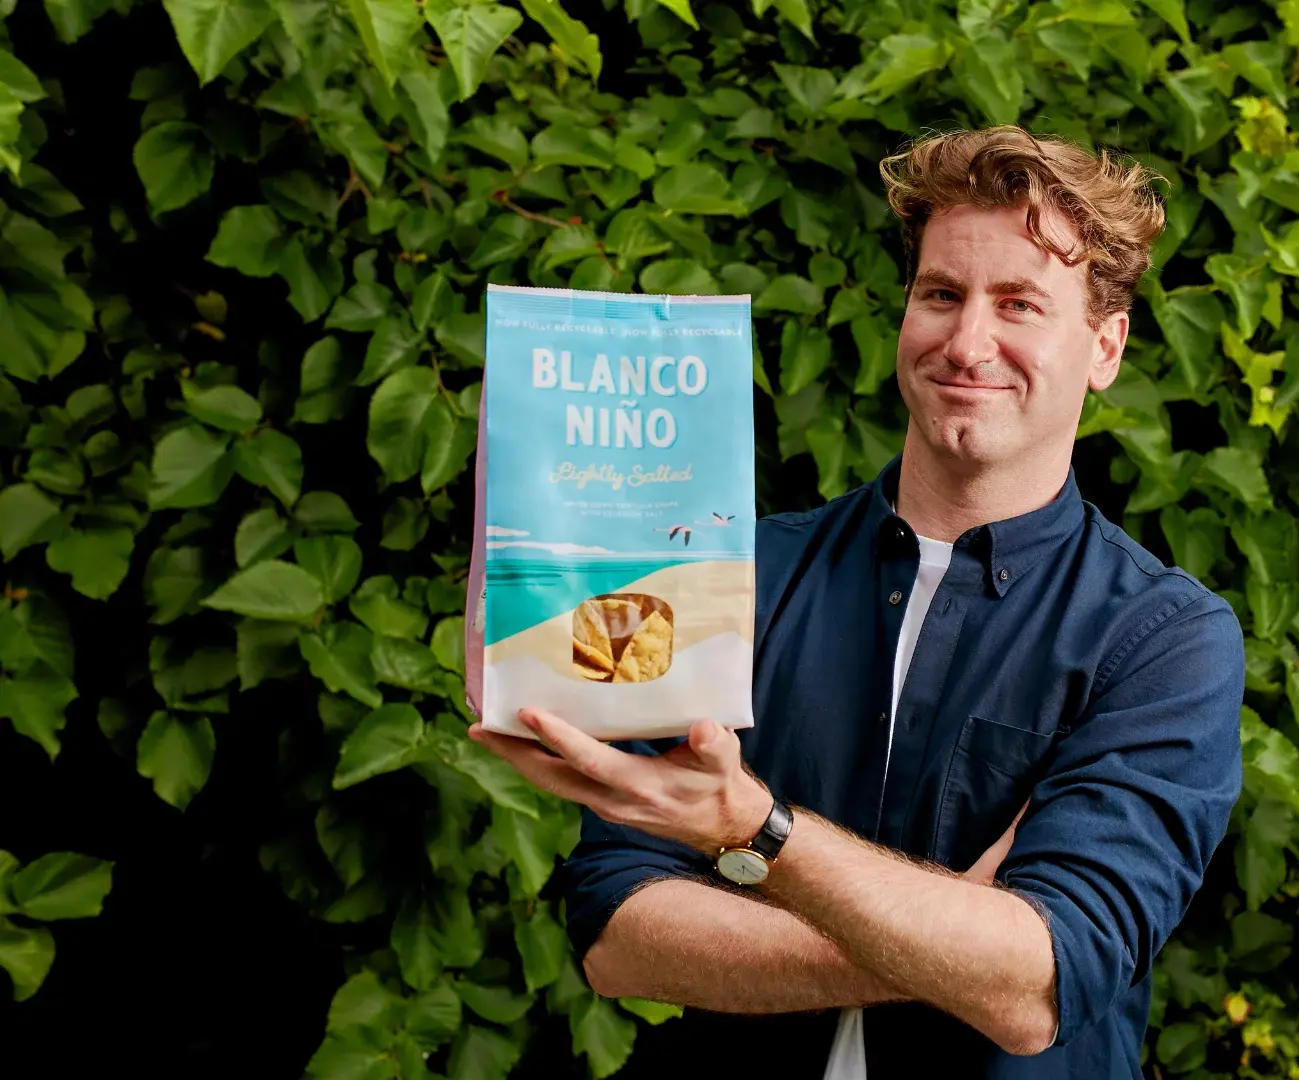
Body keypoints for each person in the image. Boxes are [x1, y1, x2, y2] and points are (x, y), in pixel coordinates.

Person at [471, 126, 1246, 1079]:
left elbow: (1040, 986)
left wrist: (755, 834)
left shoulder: (1164, 641)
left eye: (1019, 303)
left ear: (1105, 346)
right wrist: (957, 942)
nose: (967, 342)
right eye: (941, 294)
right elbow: (617, 934)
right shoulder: (737, 577)